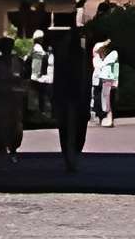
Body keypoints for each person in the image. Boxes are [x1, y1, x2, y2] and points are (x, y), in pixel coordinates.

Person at [49, 27, 92, 171]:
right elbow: (85, 79)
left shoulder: (73, 57)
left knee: (68, 130)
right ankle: (71, 158)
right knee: (74, 129)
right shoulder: (78, 56)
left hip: (70, 98)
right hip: (73, 97)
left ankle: (70, 158)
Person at [92, 35, 120, 127]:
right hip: (97, 80)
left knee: (108, 99)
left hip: (108, 79)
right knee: (97, 99)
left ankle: (109, 117)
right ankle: (101, 117)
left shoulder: (113, 54)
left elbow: (111, 66)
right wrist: (103, 44)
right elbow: (95, 49)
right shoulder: (96, 57)